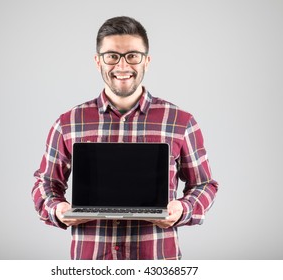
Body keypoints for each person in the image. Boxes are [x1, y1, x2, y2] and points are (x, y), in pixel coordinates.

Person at [32, 16, 218, 260]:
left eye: (132, 55)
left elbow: (204, 185)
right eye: (112, 56)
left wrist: (183, 208)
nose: (122, 66)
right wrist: (58, 209)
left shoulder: (181, 122)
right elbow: (45, 183)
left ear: (146, 61)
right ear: (98, 61)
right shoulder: (68, 123)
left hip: (157, 261)